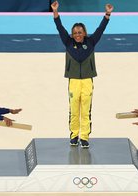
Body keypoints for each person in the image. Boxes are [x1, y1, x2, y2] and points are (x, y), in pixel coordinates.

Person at [51, 1, 114, 148]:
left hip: (87, 81)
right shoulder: (67, 42)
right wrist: (55, 12)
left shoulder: (91, 42)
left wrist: (107, 14)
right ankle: (74, 135)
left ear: (84, 33)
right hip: (73, 81)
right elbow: (60, 28)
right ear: (72, 35)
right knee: (74, 110)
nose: (77, 35)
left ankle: (84, 137)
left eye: (80, 32)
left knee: (85, 111)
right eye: (75, 33)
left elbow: (100, 29)